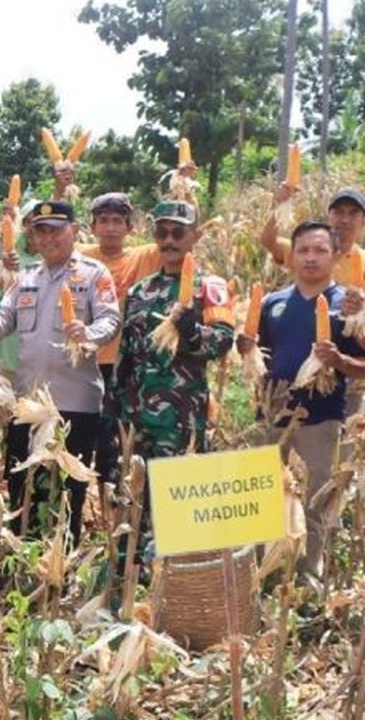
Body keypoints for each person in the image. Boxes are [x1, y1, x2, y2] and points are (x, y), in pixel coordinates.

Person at [0, 201, 120, 544]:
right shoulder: (26, 279)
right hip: (28, 405)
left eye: (55, 229)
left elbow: (111, 318)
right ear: (32, 237)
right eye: (40, 231)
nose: (48, 237)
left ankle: (59, 568)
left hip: (74, 406)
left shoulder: (94, 274)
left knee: (67, 491)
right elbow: (1, 320)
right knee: (22, 486)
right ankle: (24, 561)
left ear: (75, 231)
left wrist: (88, 332)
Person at [240, 221, 365, 581]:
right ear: (291, 256)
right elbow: (257, 353)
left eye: (320, 250)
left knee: (314, 503)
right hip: (271, 416)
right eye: (304, 251)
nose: (311, 258)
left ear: (335, 256)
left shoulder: (350, 304)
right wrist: (244, 349)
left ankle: (309, 578)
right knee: (265, 501)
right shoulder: (272, 303)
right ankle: (266, 575)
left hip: (321, 419)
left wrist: (341, 361)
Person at [117, 200, 235, 460]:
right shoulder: (140, 291)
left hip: (181, 419)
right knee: (137, 497)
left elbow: (223, 341)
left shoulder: (209, 287)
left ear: (196, 236)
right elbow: (126, 355)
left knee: (173, 500)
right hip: (137, 420)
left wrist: (192, 332)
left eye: (178, 233)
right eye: (162, 233)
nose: (169, 240)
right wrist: (113, 411)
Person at [77, 193, 161, 486]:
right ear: (92, 226)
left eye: (117, 221)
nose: (110, 228)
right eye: (103, 221)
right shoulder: (79, 255)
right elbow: (40, 239)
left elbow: (184, 235)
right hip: (84, 363)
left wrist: (184, 189)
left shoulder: (145, 256)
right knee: (80, 438)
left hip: (124, 365)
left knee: (114, 444)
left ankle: (112, 510)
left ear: (130, 227)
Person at [258, 186, 365, 286]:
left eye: (353, 213)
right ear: (329, 216)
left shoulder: (362, 260)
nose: (345, 220)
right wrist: (281, 206)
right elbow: (268, 241)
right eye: (338, 212)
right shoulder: (308, 250)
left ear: (363, 220)